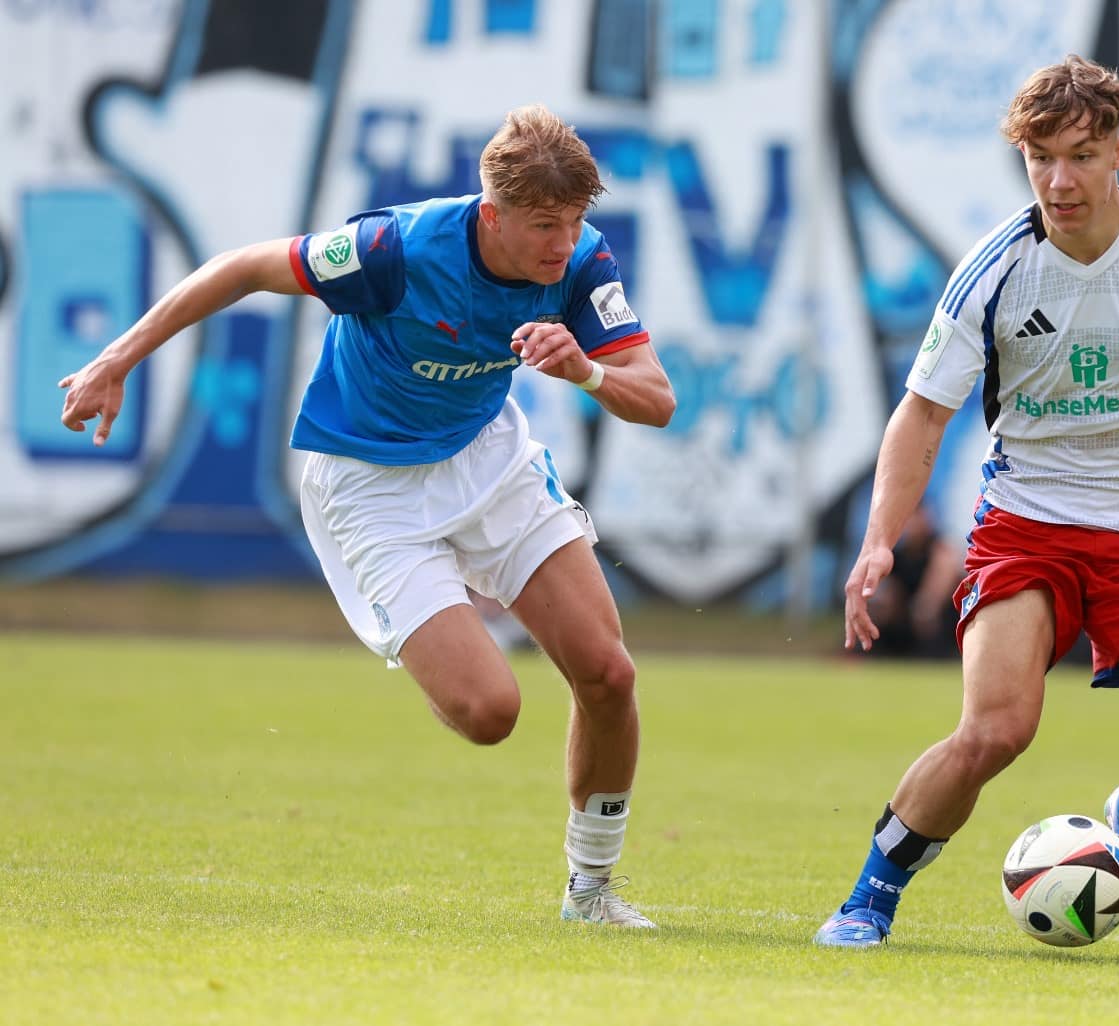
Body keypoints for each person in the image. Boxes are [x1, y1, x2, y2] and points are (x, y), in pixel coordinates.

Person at [58, 105, 675, 928]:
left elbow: (657, 398)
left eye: (571, 222)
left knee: (610, 673)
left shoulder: (580, 264)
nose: (560, 244)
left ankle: (590, 891)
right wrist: (115, 358)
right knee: (489, 713)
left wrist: (588, 376)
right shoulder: (395, 250)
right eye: (541, 226)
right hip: (369, 485)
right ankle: (425, 633)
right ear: (491, 215)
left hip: (484, 456)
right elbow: (243, 268)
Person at [813, 55, 1119, 948]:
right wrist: (876, 541)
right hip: (1027, 529)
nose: (1061, 181)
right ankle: (870, 894)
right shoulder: (994, 271)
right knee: (996, 730)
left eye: (1083, 156)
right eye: (1041, 158)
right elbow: (922, 414)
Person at [863, 503, 963, 660]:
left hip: (939, 616)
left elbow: (941, 580)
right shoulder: (898, 553)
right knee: (880, 615)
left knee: (926, 617)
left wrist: (927, 604)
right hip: (909, 614)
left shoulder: (938, 548)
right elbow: (891, 591)